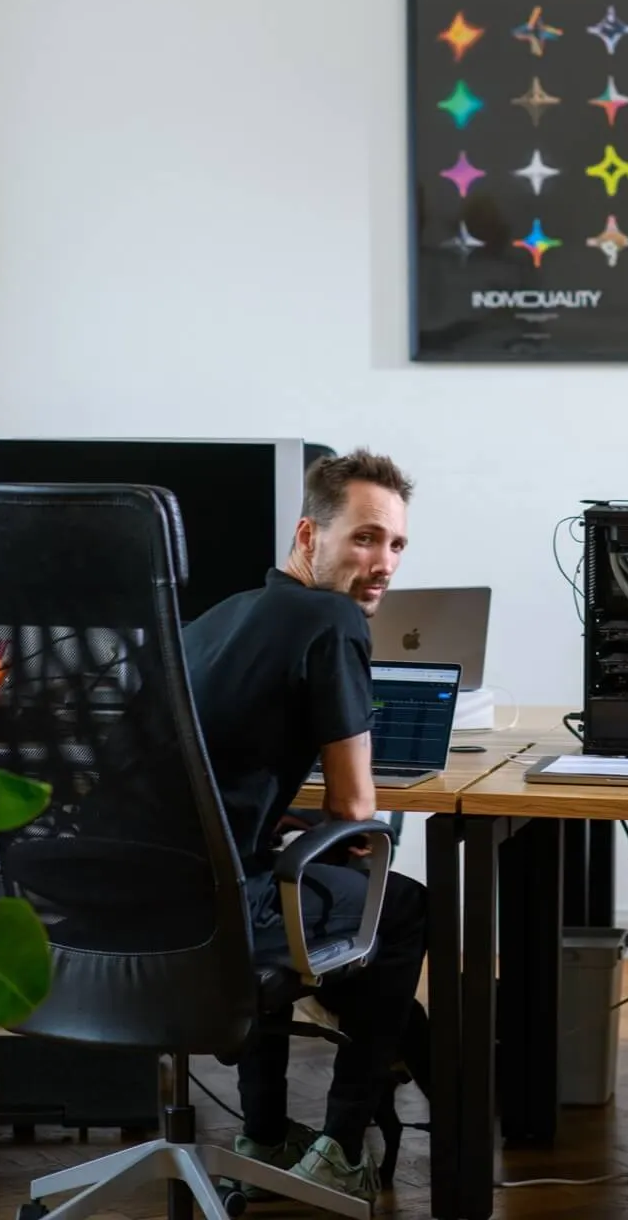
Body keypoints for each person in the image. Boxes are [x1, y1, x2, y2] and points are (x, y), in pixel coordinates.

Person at [180, 448, 425, 1207]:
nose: (382, 563)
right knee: (401, 901)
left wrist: (287, 818)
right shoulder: (332, 620)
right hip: (227, 911)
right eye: (364, 538)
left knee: (284, 869)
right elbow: (357, 812)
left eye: (395, 545)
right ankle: (342, 1146)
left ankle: (261, 1132)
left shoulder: (215, 620)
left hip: (160, 903)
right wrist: (337, 831)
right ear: (307, 535)